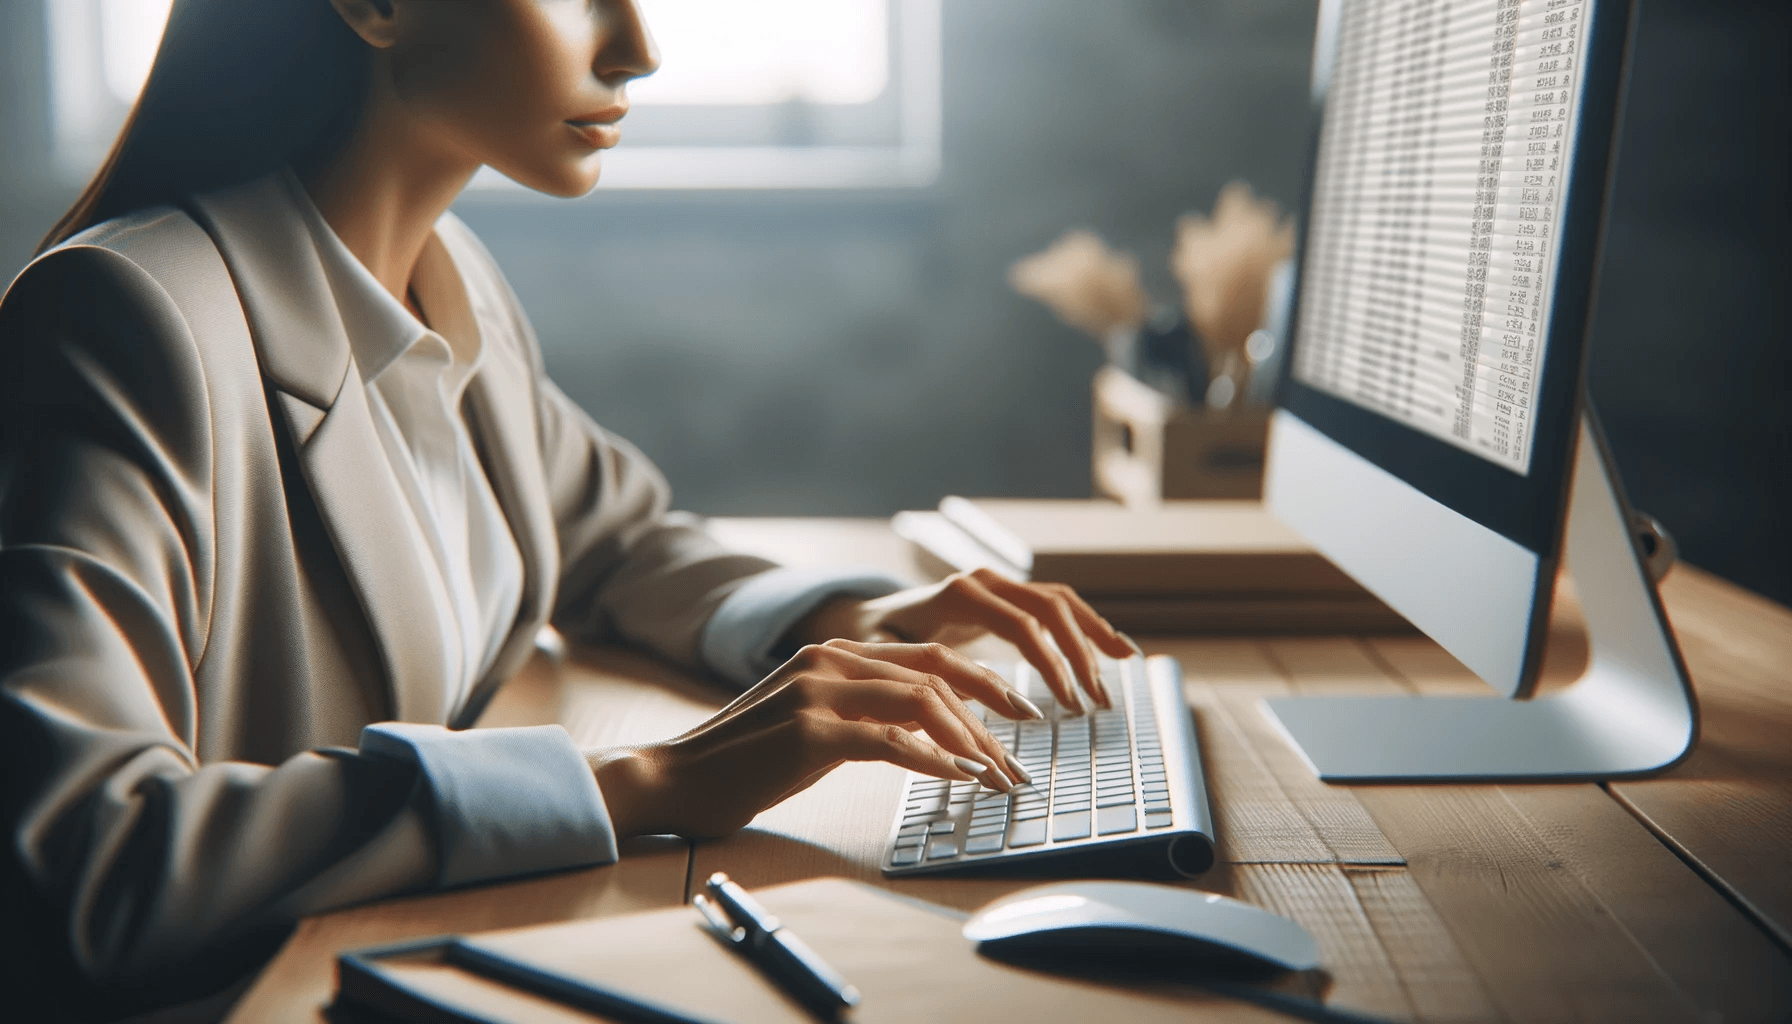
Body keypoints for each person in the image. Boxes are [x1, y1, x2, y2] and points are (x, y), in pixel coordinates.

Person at [0, 1, 1132, 1019]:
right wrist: (648, 781)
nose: (638, 47)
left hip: (395, 953)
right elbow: (95, 853)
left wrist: (843, 618)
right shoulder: (125, 320)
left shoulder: (447, 275)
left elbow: (611, 535)